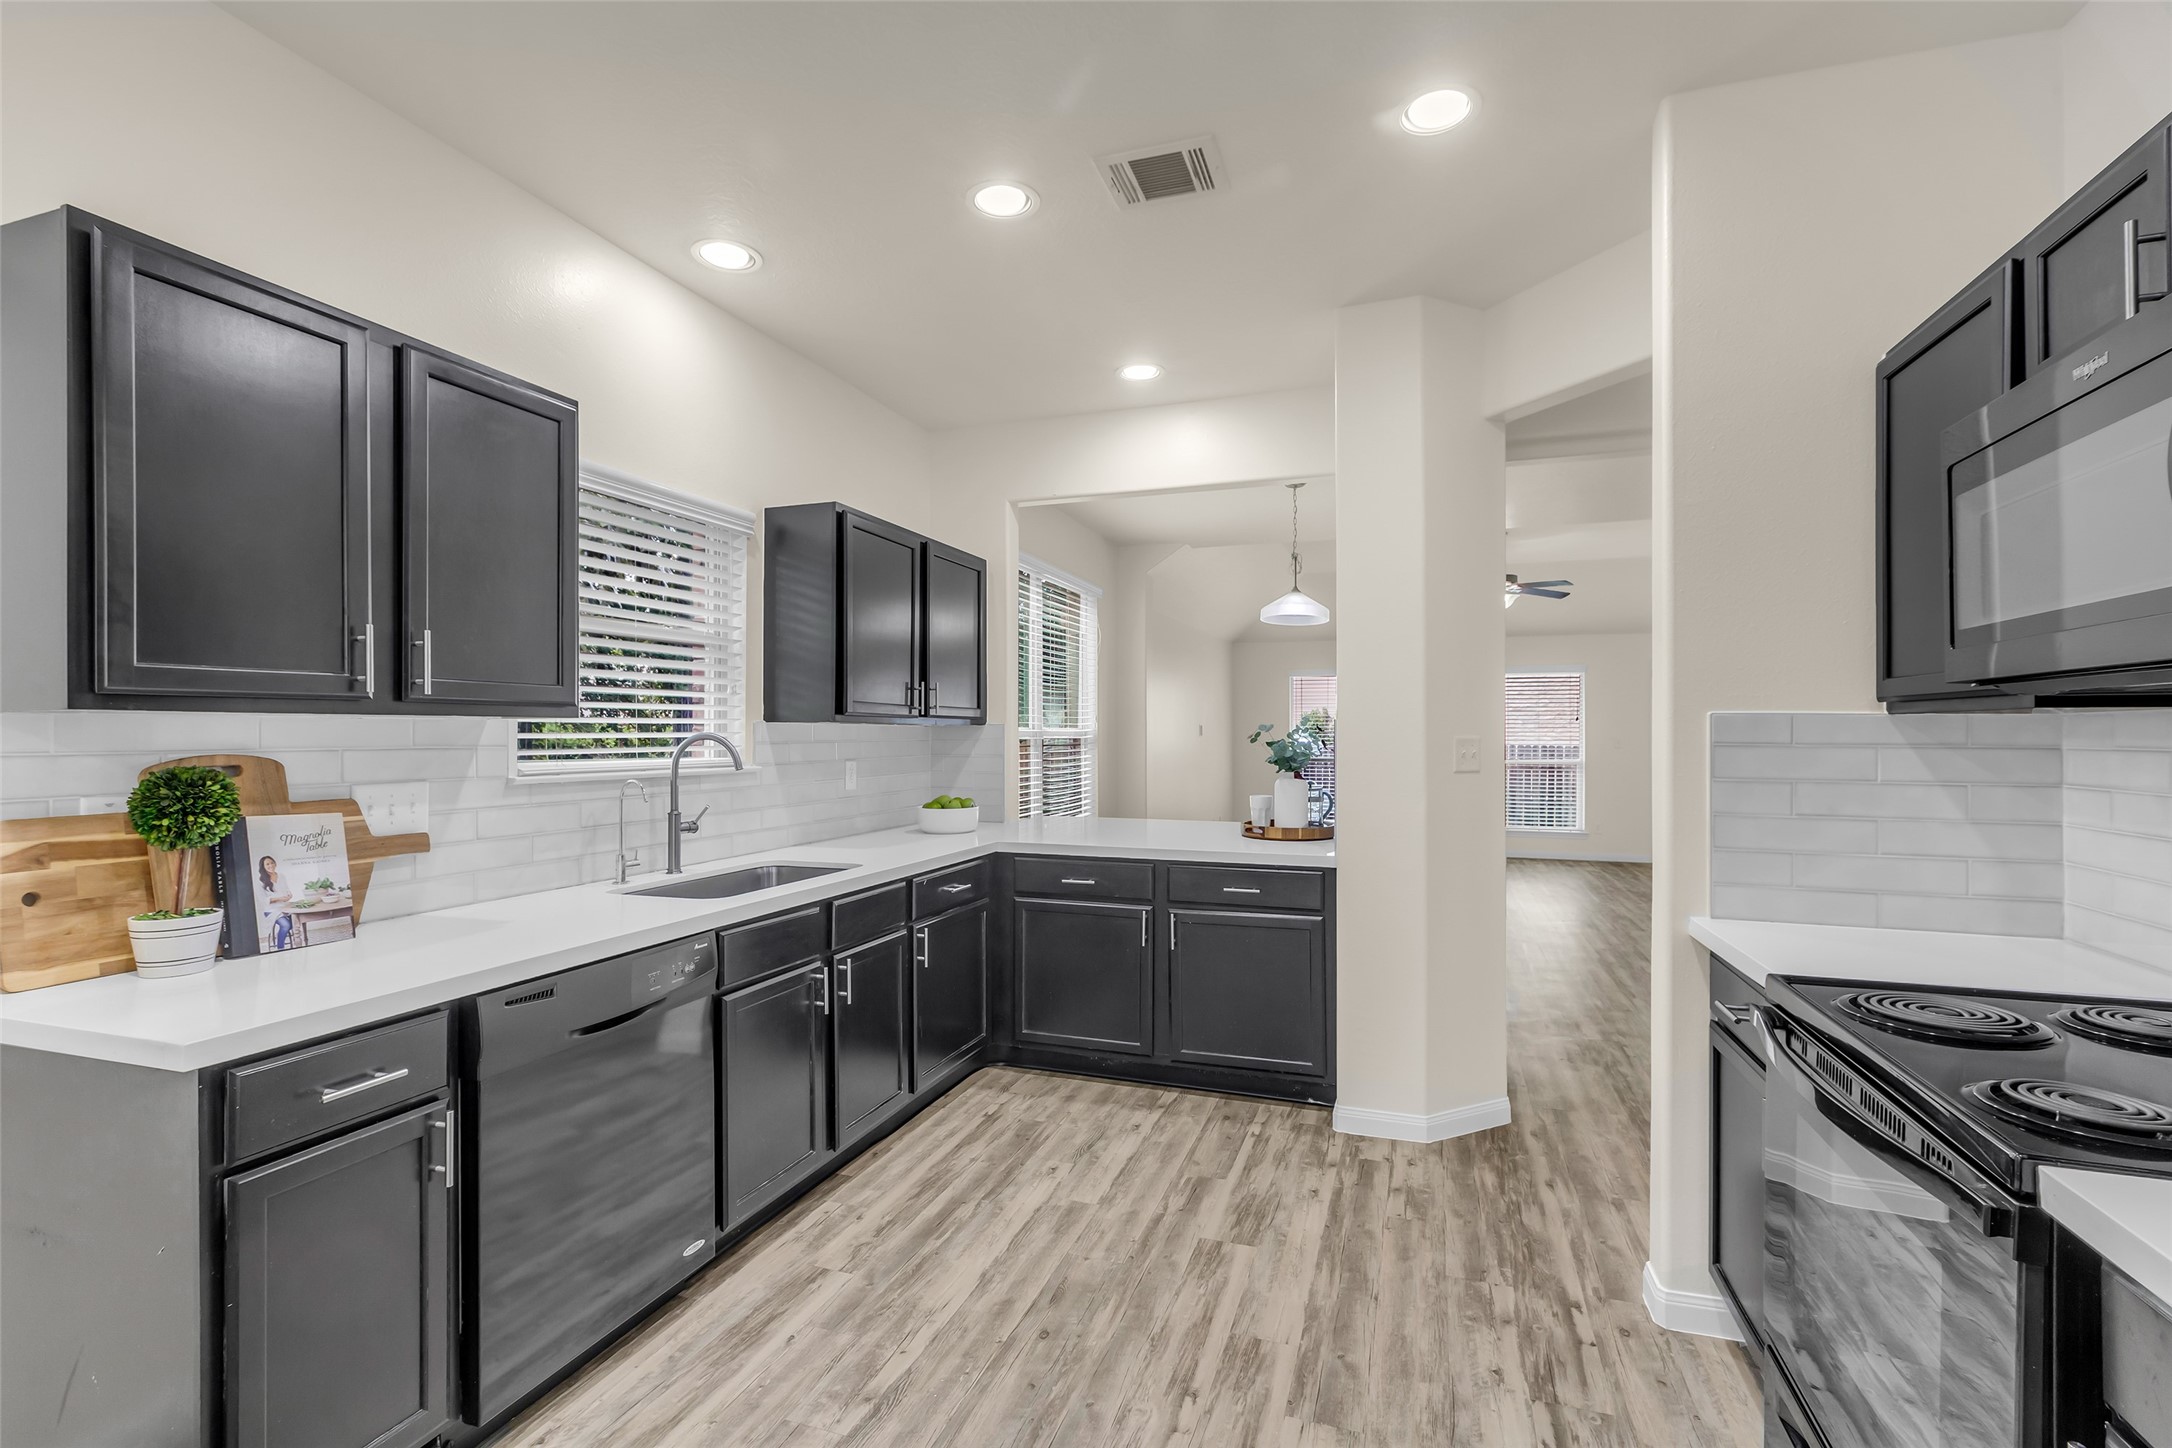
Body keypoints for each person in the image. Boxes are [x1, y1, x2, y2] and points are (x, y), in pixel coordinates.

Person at [257, 854, 295, 952]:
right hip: (272, 910)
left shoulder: (281, 876)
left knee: (295, 922)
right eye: (267, 864)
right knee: (286, 925)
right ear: (263, 867)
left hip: (285, 907)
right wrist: (279, 899)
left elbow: (286, 889)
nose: (271, 865)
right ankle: (280, 948)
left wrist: (289, 895)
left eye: (272, 863)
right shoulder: (260, 881)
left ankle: (280, 937)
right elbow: (262, 899)